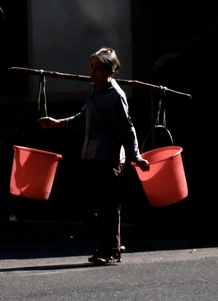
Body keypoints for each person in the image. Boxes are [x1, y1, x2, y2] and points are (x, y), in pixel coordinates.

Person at [38, 47, 149, 265]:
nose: (92, 73)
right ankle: (110, 242)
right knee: (86, 205)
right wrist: (59, 123)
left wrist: (135, 155)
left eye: (97, 68)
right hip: (91, 156)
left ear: (109, 70)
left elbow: (127, 129)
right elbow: (84, 115)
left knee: (108, 206)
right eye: (91, 67)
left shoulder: (115, 96)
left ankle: (110, 250)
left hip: (109, 159)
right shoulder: (94, 90)